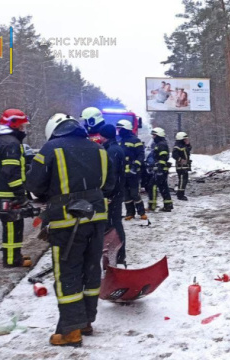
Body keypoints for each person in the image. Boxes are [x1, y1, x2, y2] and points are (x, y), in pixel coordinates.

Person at [26, 113, 114, 347]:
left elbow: (34, 185)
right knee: (91, 269)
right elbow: (109, 184)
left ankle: (71, 331)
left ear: (54, 130)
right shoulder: (99, 149)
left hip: (66, 223)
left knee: (67, 273)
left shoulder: (49, 149)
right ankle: (85, 321)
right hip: (96, 218)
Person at [0, 109, 32, 267]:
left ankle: (15, 255)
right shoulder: (11, 143)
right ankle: (11, 259)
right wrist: (21, 194)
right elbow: (11, 172)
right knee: (12, 226)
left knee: (14, 224)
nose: (23, 129)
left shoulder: (2, 140)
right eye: (21, 126)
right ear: (14, 124)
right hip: (8, 192)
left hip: (2, 191)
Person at [99, 124, 127, 266]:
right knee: (114, 223)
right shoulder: (115, 148)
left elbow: (111, 175)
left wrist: (107, 194)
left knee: (113, 225)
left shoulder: (112, 151)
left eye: (100, 136)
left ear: (104, 136)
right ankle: (116, 255)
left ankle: (118, 255)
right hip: (116, 193)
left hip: (113, 195)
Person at [117, 120, 147, 220]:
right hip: (123, 173)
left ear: (126, 129)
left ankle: (141, 212)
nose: (118, 130)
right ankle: (130, 213)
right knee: (126, 194)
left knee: (134, 193)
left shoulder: (135, 140)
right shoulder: (120, 141)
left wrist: (135, 166)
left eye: (120, 128)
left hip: (133, 173)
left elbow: (141, 155)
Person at [145, 127, 173, 212]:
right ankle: (168, 205)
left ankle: (152, 206)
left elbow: (163, 157)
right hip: (162, 169)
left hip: (160, 170)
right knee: (163, 187)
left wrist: (159, 169)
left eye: (154, 135)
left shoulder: (161, 145)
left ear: (158, 135)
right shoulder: (160, 144)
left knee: (152, 186)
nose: (153, 137)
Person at [172, 132, 191, 201]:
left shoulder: (184, 145)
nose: (186, 140)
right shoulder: (177, 146)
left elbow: (188, 150)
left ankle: (180, 193)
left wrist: (188, 144)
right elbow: (174, 155)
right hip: (181, 167)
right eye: (185, 139)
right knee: (182, 180)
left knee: (184, 180)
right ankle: (180, 195)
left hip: (185, 166)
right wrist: (180, 160)